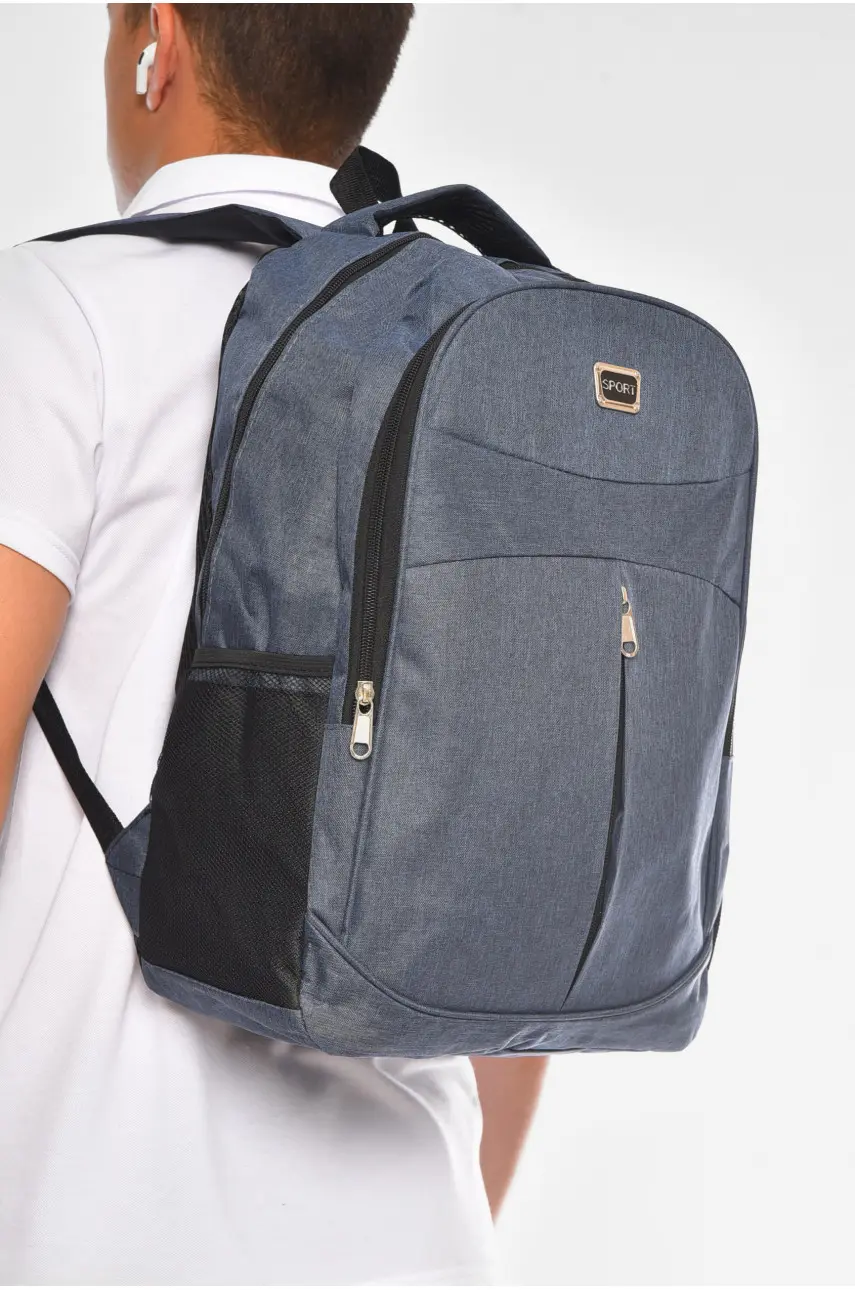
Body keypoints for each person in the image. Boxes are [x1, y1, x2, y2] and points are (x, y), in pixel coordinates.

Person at [0, 5, 547, 1282]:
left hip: (95, 1228)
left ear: (160, 40)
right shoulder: (490, 351)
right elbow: (522, 907)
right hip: (420, 1241)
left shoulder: (54, 315)